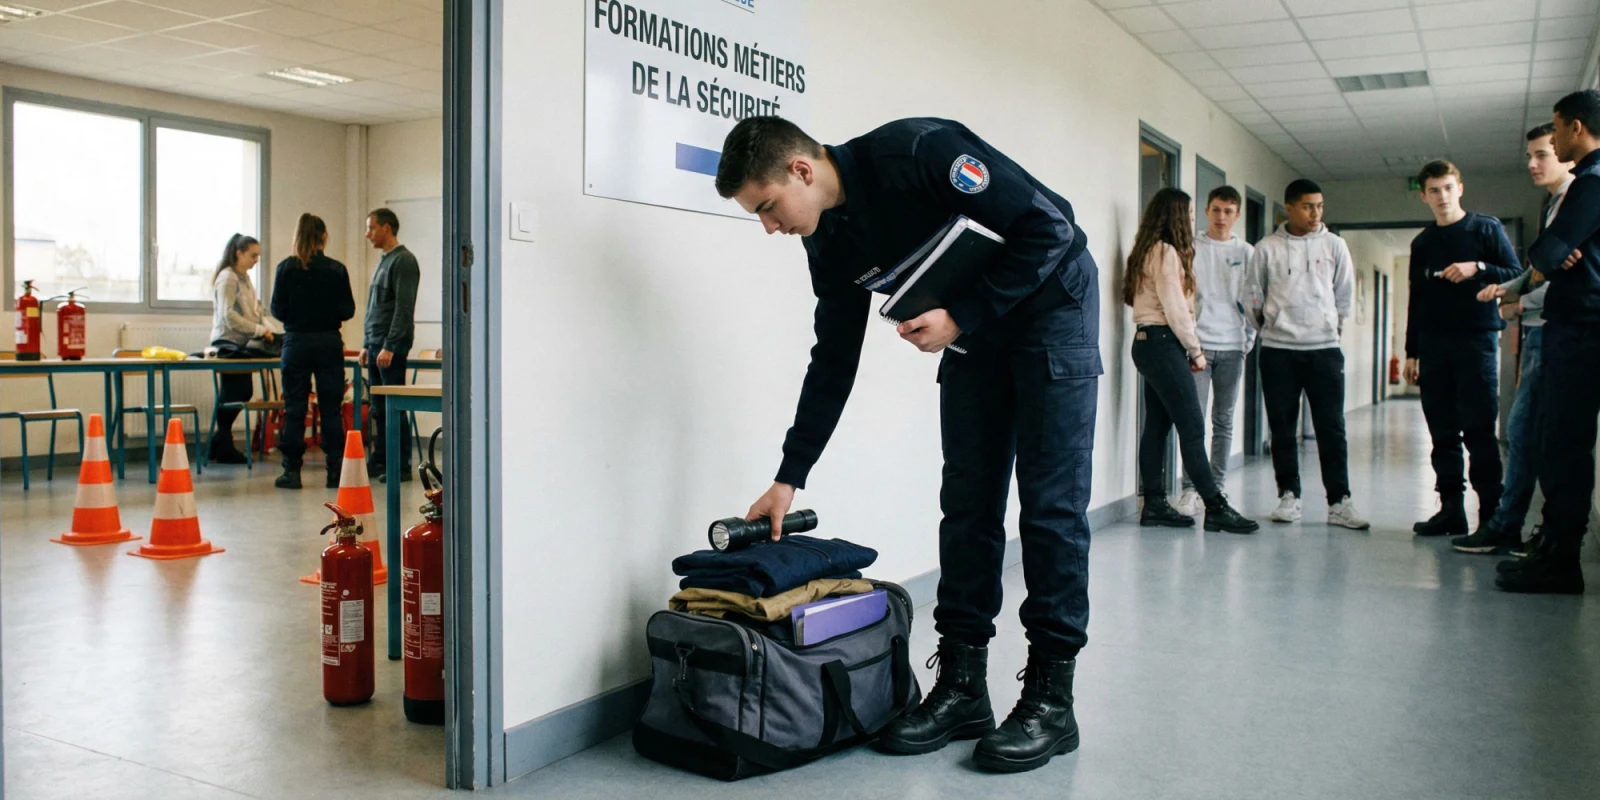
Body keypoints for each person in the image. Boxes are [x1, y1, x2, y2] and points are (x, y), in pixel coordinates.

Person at [715, 116, 1098, 773]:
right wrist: (789, 475)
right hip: (976, 335)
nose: (769, 228)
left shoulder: (918, 152)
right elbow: (832, 359)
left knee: (1049, 510)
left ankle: (1050, 701)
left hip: (1051, 310)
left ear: (801, 170)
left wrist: (963, 315)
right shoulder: (829, 242)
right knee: (968, 509)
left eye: (768, 208)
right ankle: (962, 688)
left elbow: (1052, 229)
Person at [1496, 89, 1600, 595]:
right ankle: (1553, 546)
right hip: (1578, 326)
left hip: (1581, 329)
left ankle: (1560, 560)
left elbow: (1546, 252)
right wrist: (1553, 256)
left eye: (1556, 129)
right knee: (1560, 442)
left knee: (1563, 445)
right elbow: (1550, 257)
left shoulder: (1591, 183)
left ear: (1576, 127)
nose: (1553, 138)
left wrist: (1554, 252)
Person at [1459, 125, 1573, 556]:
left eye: (1543, 154)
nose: (1532, 163)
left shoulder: (1580, 202)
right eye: (1531, 155)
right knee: (1526, 433)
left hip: (1559, 334)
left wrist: (1520, 304)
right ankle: (1515, 526)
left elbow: (1573, 278)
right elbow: (1544, 269)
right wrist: (1509, 290)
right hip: (1541, 334)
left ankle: (1531, 530)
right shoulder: (1554, 204)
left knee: (1535, 435)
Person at [1239, 179, 1369, 529]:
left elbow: (1344, 295)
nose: (1316, 213)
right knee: (1281, 428)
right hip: (1279, 350)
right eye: (1308, 206)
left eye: (1320, 206)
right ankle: (1289, 496)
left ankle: (1339, 501)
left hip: (1324, 349)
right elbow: (1251, 296)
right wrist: (1269, 325)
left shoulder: (1334, 245)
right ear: (1290, 208)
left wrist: (1330, 327)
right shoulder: (1266, 248)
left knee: (1331, 427)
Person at [1126, 188, 1257, 534]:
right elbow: (1176, 309)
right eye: (1187, 215)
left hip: (1145, 342)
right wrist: (1196, 351)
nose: (1191, 221)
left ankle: (1153, 503)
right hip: (1164, 342)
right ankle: (1215, 506)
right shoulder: (1166, 252)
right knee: (1193, 427)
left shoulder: (1147, 248)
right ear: (1174, 217)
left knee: (1157, 425)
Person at [1401, 161, 1520, 540]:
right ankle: (1451, 509)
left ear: (1460, 189)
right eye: (1434, 190)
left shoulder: (1485, 228)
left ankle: (1491, 515)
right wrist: (1412, 351)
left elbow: (1516, 274)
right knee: (1442, 431)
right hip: (1435, 343)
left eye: (1448, 188)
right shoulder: (1422, 243)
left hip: (1476, 340)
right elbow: (1416, 299)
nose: (1442, 197)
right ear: (1423, 196)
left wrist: (1478, 267)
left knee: (1479, 430)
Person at [1174, 186, 1256, 517]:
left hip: (1233, 347)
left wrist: (1247, 339)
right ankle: (1191, 489)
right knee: (1194, 421)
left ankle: (1216, 490)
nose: (1222, 217)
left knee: (1223, 420)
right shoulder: (1191, 247)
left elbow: (1253, 298)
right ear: (1207, 211)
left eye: (1229, 211)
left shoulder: (1246, 251)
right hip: (1199, 347)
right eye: (1217, 210)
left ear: (1236, 215)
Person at [270, 213, 355, 490]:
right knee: (331, 408)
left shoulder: (285, 268)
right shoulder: (336, 269)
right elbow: (348, 310)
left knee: (294, 408)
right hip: (328, 343)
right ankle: (334, 471)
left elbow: (277, 310)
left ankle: (291, 472)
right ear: (324, 237)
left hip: (296, 343)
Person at [358, 207, 420, 483]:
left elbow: (403, 309)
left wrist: (390, 345)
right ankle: (381, 459)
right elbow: (375, 308)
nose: (367, 234)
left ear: (387, 228)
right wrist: (365, 344)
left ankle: (400, 465)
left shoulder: (404, 261)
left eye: (371, 228)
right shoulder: (383, 261)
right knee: (377, 406)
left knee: (393, 405)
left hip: (389, 347)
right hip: (374, 344)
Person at [208, 233, 269, 464]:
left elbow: (256, 313)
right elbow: (228, 316)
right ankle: (223, 442)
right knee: (235, 394)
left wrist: (268, 329)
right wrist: (259, 331)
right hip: (226, 343)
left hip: (241, 344)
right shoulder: (228, 277)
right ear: (239, 253)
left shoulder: (244, 279)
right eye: (252, 255)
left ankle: (220, 440)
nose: (256, 260)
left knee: (239, 393)